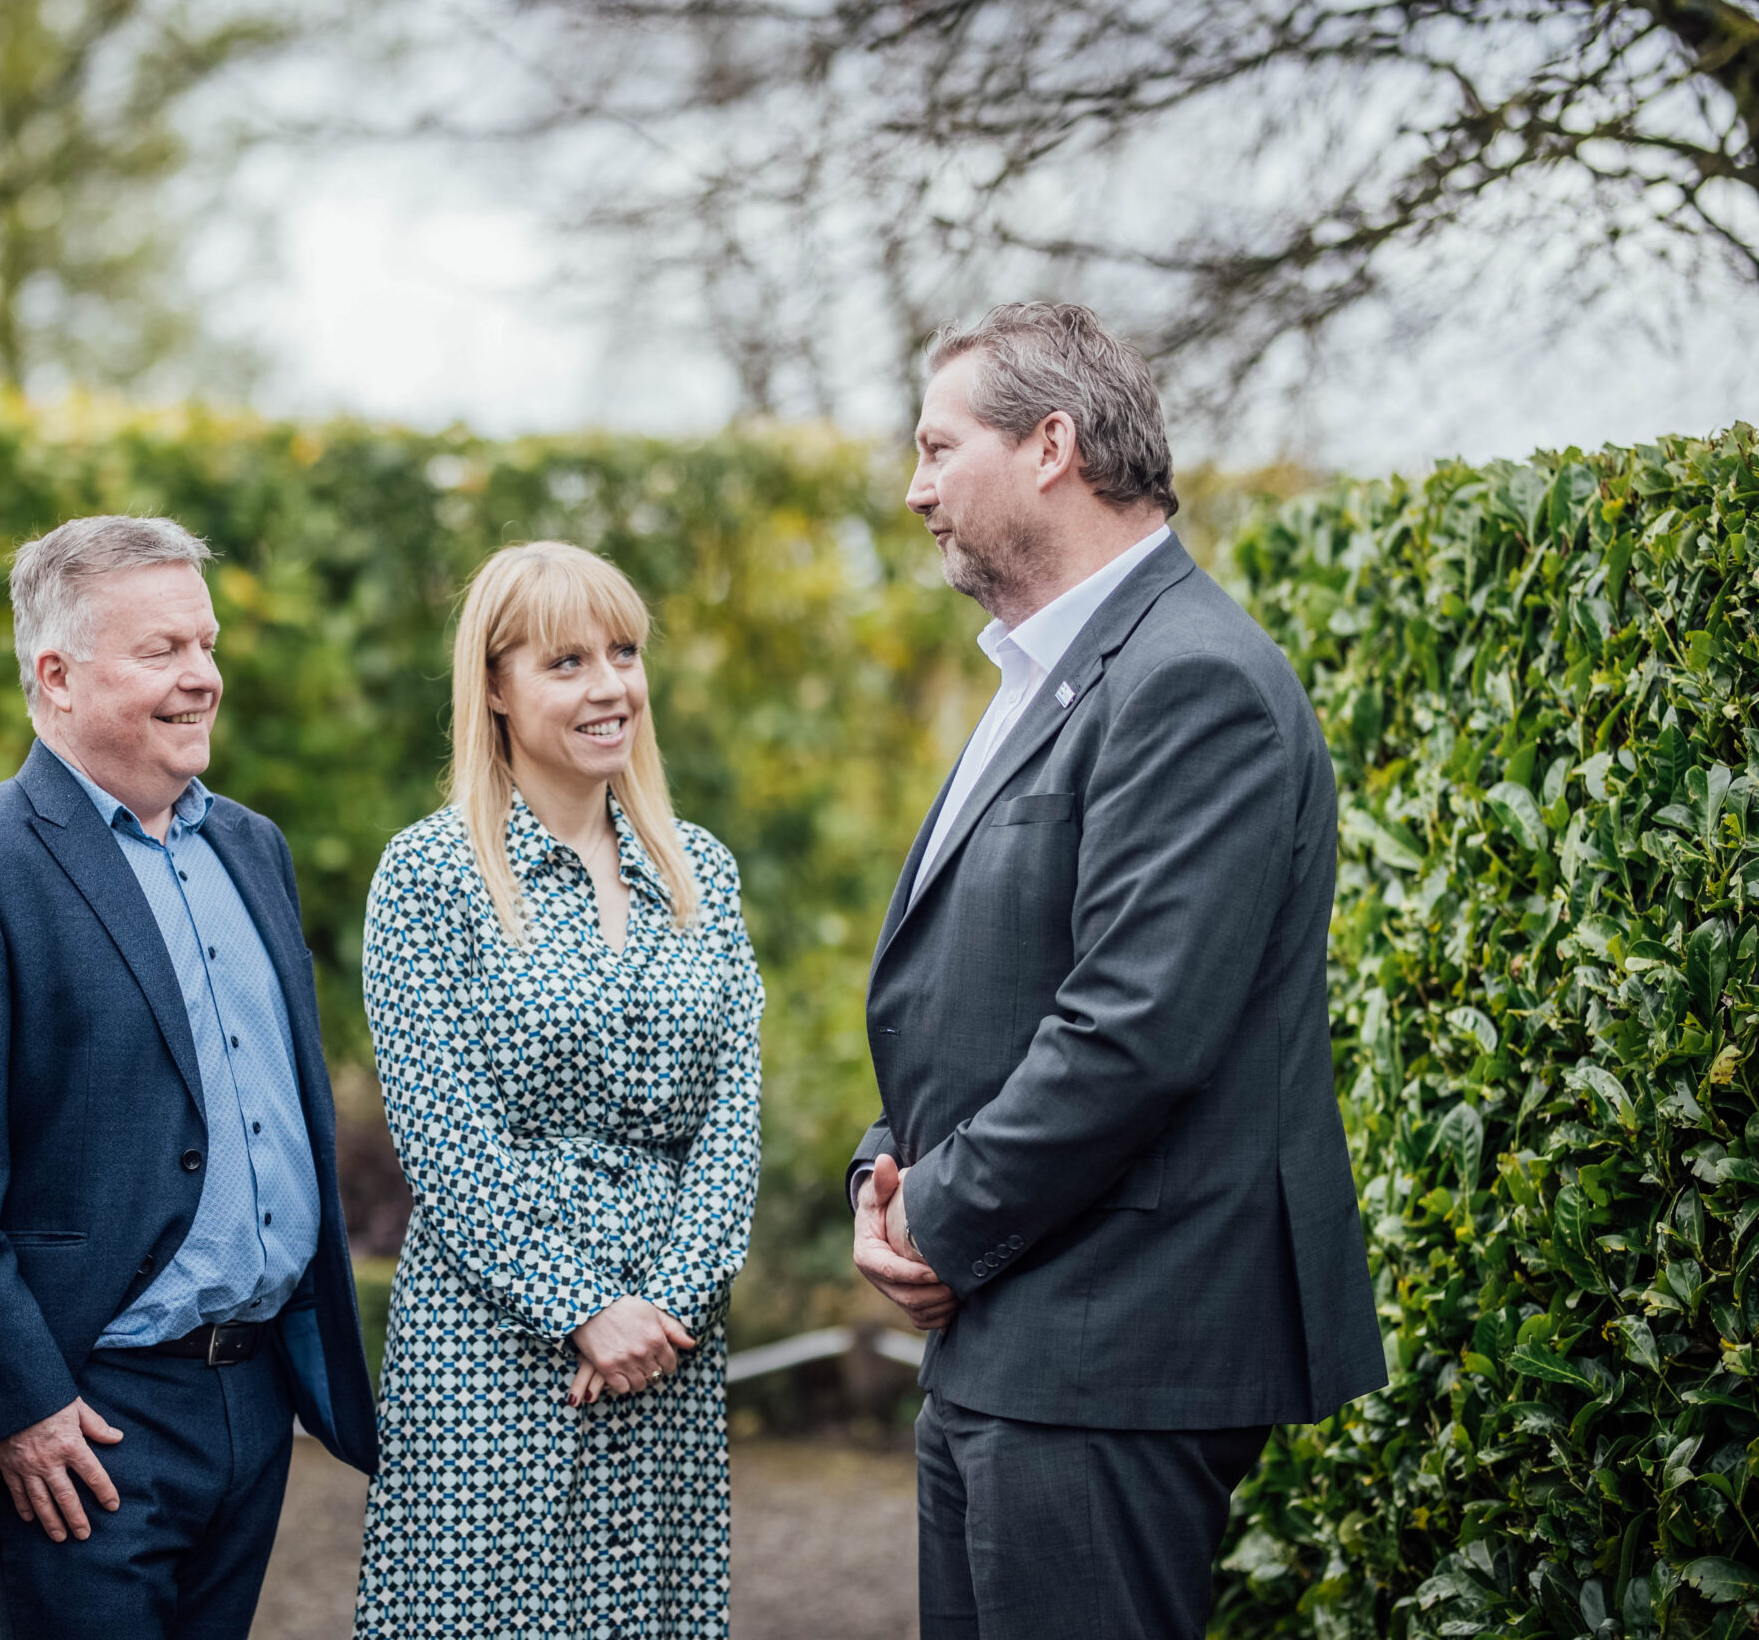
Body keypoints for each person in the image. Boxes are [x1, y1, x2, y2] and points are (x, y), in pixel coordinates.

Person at [847, 303, 1386, 1638]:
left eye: (936, 447)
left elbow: (1131, 1029)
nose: (915, 489)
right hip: (1013, 1341)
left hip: (1116, 1347)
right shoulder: (1051, 671)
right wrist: (884, 1171)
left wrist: (938, 1220)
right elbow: (975, 994)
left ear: (1051, 444)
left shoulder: (1193, 677)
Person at [0, 514, 377, 1640]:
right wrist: (21, 1406)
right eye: (161, 651)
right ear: (55, 677)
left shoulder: (251, 847)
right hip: (86, 1416)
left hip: (253, 1400)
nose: (201, 678)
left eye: (204, 646)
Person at [352, 540, 764, 1640]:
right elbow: (445, 1141)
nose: (609, 686)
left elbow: (733, 1114)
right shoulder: (429, 877)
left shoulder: (698, 870)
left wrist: (668, 1302)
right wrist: (580, 1307)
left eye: (622, 653)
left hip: (668, 1342)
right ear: (492, 685)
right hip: (497, 1342)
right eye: (566, 661)